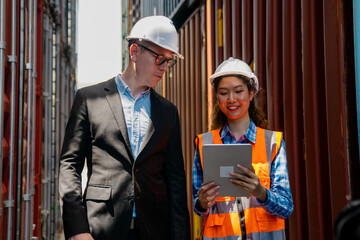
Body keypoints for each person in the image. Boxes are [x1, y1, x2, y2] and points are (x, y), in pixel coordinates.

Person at [59, 16, 190, 240]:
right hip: (101, 227)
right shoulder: (89, 99)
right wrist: (77, 228)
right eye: (160, 58)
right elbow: (69, 166)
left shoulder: (168, 112)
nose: (165, 67)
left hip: (155, 230)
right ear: (134, 52)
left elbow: (175, 180)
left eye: (169, 61)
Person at [192, 57, 294, 239]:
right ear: (216, 97)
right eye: (223, 93)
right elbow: (199, 207)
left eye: (238, 91)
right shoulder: (204, 144)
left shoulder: (273, 143)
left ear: (252, 93)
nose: (231, 99)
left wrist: (261, 193)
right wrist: (202, 203)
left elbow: (286, 208)